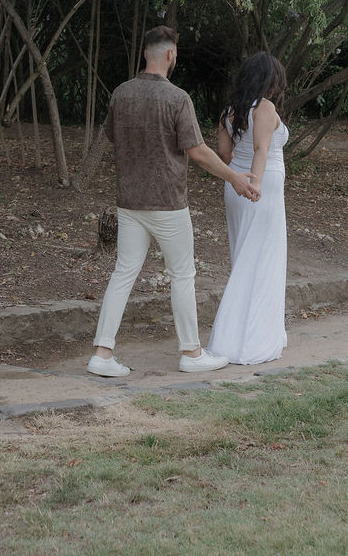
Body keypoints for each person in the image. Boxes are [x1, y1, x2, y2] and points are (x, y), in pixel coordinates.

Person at [87, 25, 258, 378]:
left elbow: (114, 137)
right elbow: (198, 151)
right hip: (167, 202)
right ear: (170, 55)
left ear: (145, 54)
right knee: (182, 274)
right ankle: (191, 353)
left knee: (123, 273)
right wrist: (234, 177)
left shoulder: (121, 93)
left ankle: (102, 353)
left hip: (129, 201)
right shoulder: (177, 98)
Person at [206, 52, 289, 365]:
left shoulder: (229, 111)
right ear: (269, 79)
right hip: (260, 187)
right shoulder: (265, 107)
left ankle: (243, 333)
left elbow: (224, 153)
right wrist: (255, 183)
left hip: (234, 185)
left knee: (243, 256)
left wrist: (241, 180)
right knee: (262, 260)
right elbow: (261, 149)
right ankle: (252, 339)